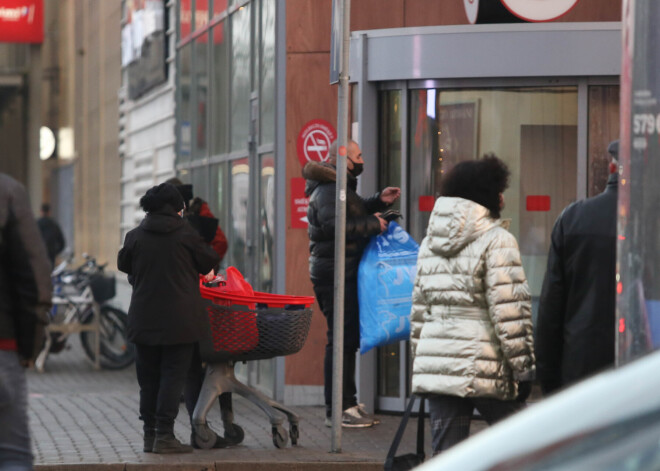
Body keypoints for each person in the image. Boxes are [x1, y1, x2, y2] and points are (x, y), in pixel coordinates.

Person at [409, 155, 535, 455]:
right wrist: (524, 368)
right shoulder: (498, 239)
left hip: (440, 364)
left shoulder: (429, 243)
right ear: (486, 194)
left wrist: (424, 360)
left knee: (448, 457)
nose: (502, 197)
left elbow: (418, 310)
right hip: (484, 363)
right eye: (498, 189)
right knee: (529, 446)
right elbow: (509, 312)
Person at [303, 139, 401, 428]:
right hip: (335, 274)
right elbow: (337, 226)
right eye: (358, 155)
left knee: (347, 340)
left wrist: (377, 201)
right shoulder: (332, 188)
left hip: (341, 272)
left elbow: (350, 213)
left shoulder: (340, 187)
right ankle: (338, 409)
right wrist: (375, 225)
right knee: (340, 341)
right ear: (344, 159)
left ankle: (347, 402)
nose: (362, 160)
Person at [117, 183, 219, 454]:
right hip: (181, 321)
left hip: (144, 319)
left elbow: (124, 264)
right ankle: (165, 435)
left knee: (148, 379)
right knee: (173, 377)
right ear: (179, 208)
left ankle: (150, 435)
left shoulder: (135, 236)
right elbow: (208, 261)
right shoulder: (187, 234)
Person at [535, 140, 619, 396]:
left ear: (611, 168)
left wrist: (549, 379)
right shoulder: (650, 220)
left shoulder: (573, 219)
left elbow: (551, 310)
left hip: (582, 371)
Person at [164, 177, 232, 448]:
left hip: (193, 295)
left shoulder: (175, 225)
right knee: (190, 367)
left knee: (183, 368)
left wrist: (201, 267)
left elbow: (217, 247)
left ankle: (169, 433)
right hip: (192, 297)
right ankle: (195, 430)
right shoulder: (184, 226)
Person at [0, 173, 52, 470]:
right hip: (3, 346)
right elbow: (34, 276)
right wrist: (29, 347)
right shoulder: (7, 191)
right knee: (12, 455)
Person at [37, 203, 65, 268]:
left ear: (41, 211)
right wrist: (55, 252)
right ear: (49, 212)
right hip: (51, 256)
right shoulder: (54, 225)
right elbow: (62, 243)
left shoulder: (36, 224)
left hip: (39, 255)